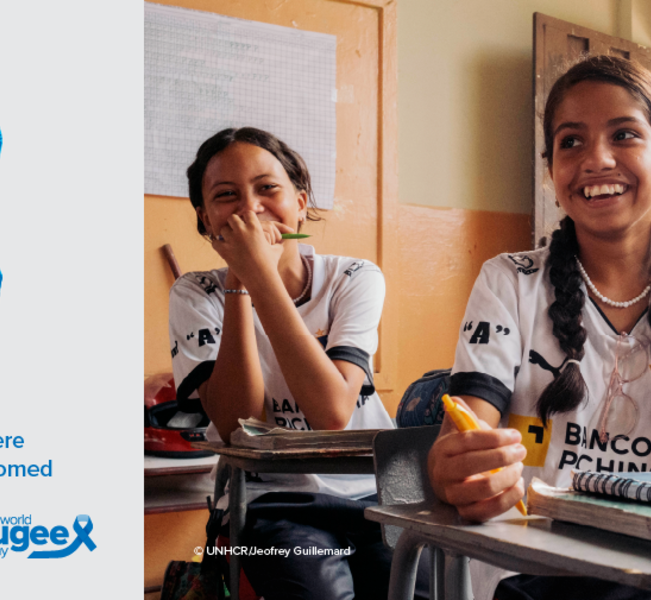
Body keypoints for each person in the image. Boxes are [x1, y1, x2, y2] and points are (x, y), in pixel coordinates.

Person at [169, 127, 426, 599]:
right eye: (226, 196)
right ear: (206, 221)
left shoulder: (354, 277)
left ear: (301, 203)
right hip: (269, 502)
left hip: (383, 487)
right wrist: (242, 282)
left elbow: (331, 412)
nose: (249, 208)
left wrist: (259, 272)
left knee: (421, 590)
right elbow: (236, 423)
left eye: (268, 188)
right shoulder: (195, 293)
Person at [428, 55, 651, 600]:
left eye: (624, 134)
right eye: (571, 142)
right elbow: (463, 434)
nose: (597, 159)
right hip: (526, 569)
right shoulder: (511, 281)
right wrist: (453, 470)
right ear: (551, 174)